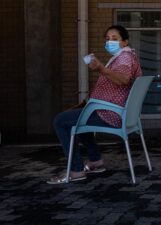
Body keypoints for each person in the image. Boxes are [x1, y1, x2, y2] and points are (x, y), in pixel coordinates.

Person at [47, 25, 142, 184]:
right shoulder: (126, 56)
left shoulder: (124, 58)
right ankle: (95, 162)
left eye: (114, 39)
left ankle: (76, 170)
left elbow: (123, 79)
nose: (109, 42)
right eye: (107, 39)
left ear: (124, 42)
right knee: (78, 119)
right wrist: (85, 103)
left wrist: (101, 69)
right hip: (111, 111)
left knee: (60, 121)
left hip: (109, 113)